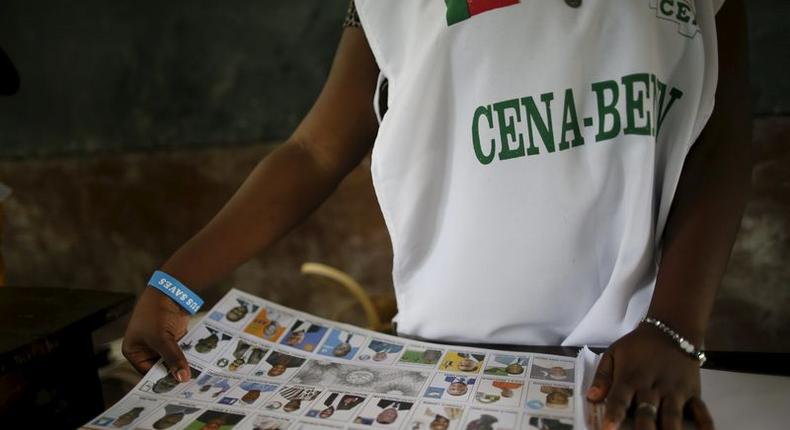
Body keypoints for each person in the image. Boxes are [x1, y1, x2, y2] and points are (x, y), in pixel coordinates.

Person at [123, 1, 751, 429]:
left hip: (630, 360)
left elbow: (717, 139)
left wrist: (675, 327)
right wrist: (174, 279)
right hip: (444, 365)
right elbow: (315, 149)